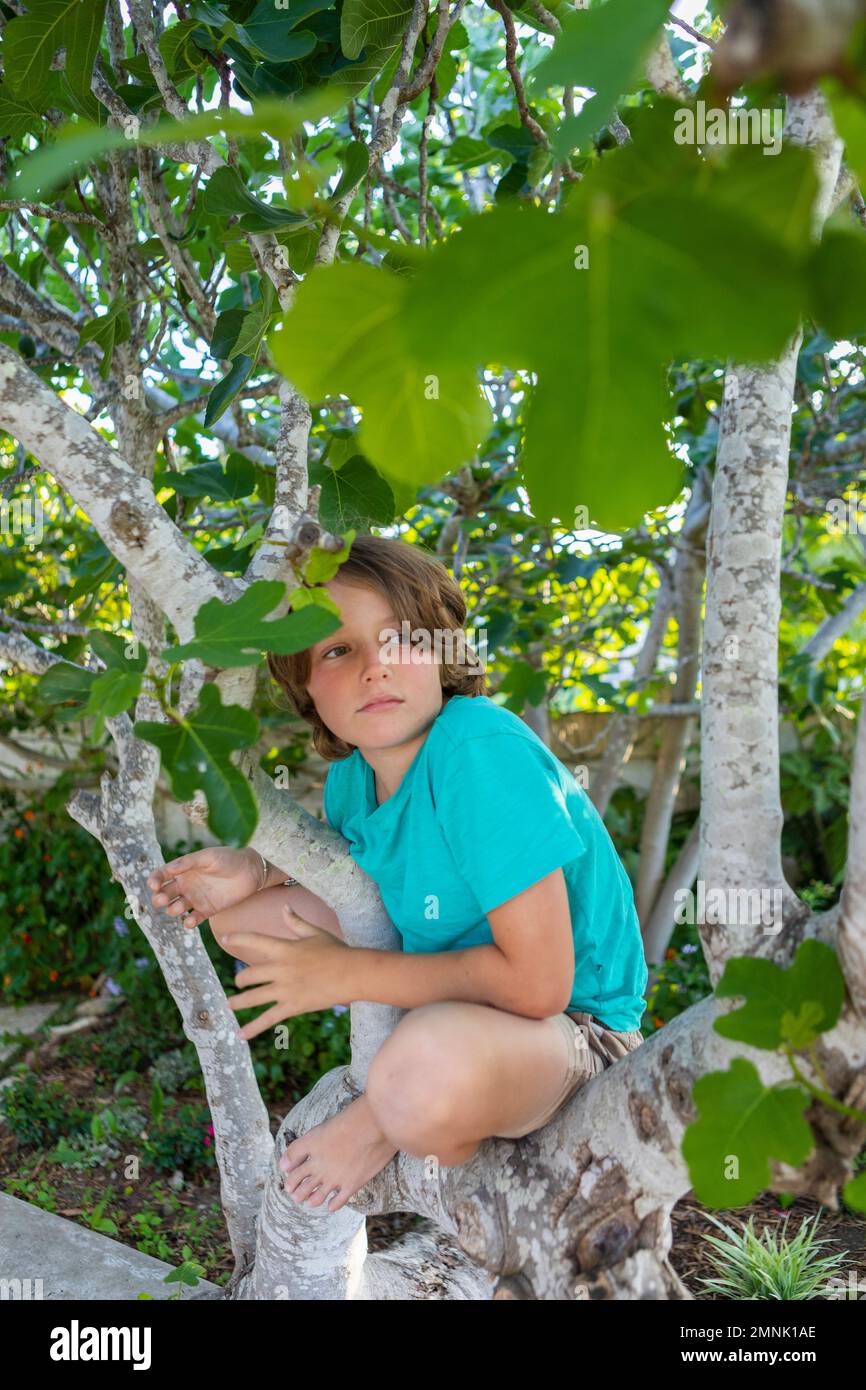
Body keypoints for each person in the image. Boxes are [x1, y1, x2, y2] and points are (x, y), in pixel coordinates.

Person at [147, 534, 648, 1214]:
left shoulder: (477, 749)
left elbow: (540, 985)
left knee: (412, 1082)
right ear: (304, 688)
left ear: (443, 654)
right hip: (464, 996)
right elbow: (369, 887)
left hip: (573, 1031)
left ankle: (383, 1122)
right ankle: (419, 1070)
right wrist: (258, 871)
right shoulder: (353, 783)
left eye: (401, 639)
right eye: (336, 649)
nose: (374, 668)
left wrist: (346, 978)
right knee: (246, 925)